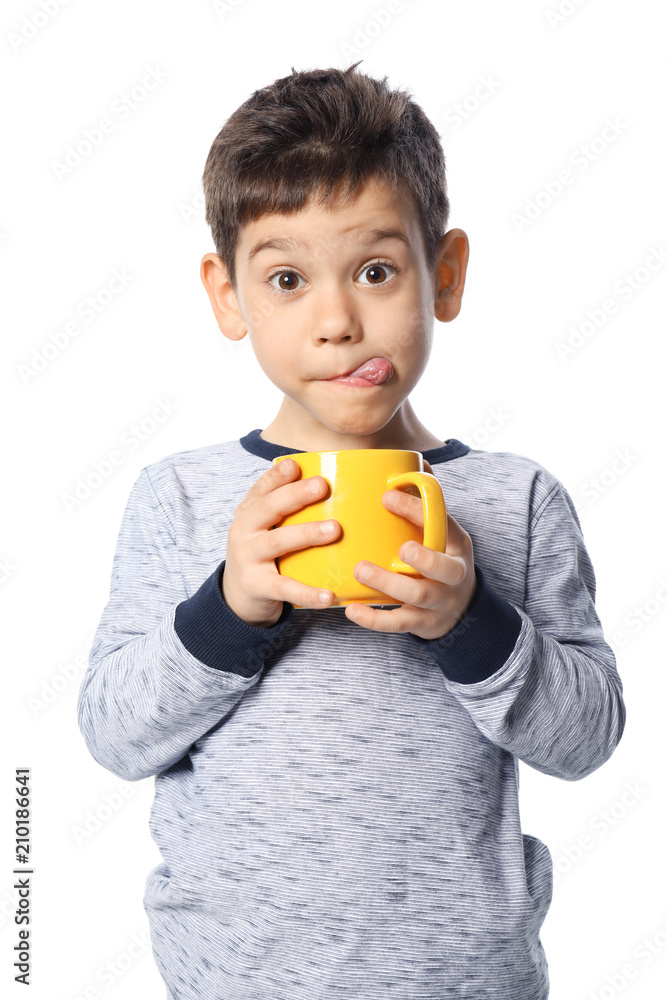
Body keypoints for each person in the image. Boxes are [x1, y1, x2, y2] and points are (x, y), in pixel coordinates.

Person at [77, 62, 625, 999]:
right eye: (286, 278)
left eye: (375, 270)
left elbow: (584, 739)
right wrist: (228, 607)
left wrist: (470, 621)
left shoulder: (516, 502)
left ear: (442, 275)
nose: (336, 320)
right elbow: (115, 736)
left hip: (463, 982)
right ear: (227, 296)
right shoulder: (178, 496)